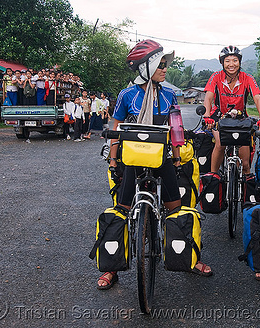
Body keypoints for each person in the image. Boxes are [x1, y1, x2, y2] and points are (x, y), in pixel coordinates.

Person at [98, 39, 213, 290]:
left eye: (164, 64)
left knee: (176, 209)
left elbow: (175, 128)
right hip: (132, 160)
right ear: (145, 67)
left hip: (161, 159)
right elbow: (116, 128)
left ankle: (190, 259)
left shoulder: (169, 94)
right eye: (160, 64)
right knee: (121, 210)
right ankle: (111, 266)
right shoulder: (127, 95)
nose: (164, 68)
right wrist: (114, 159)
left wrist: (177, 156)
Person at [202, 45, 260, 174]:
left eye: (235, 60)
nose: (232, 64)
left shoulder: (247, 78)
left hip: (240, 118)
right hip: (219, 116)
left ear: (240, 62)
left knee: (246, 164)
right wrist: (207, 116)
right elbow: (208, 98)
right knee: (220, 143)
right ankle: (213, 177)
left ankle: (244, 185)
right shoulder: (216, 76)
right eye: (227, 61)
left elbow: (257, 98)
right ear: (222, 63)